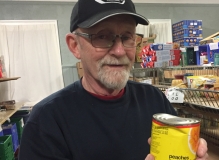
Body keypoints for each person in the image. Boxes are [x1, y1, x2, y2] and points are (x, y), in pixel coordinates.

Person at [19, 0, 208, 159]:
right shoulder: (46, 122)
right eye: (102, 37)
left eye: (127, 37)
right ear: (75, 46)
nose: (119, 51)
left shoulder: (153, 99)